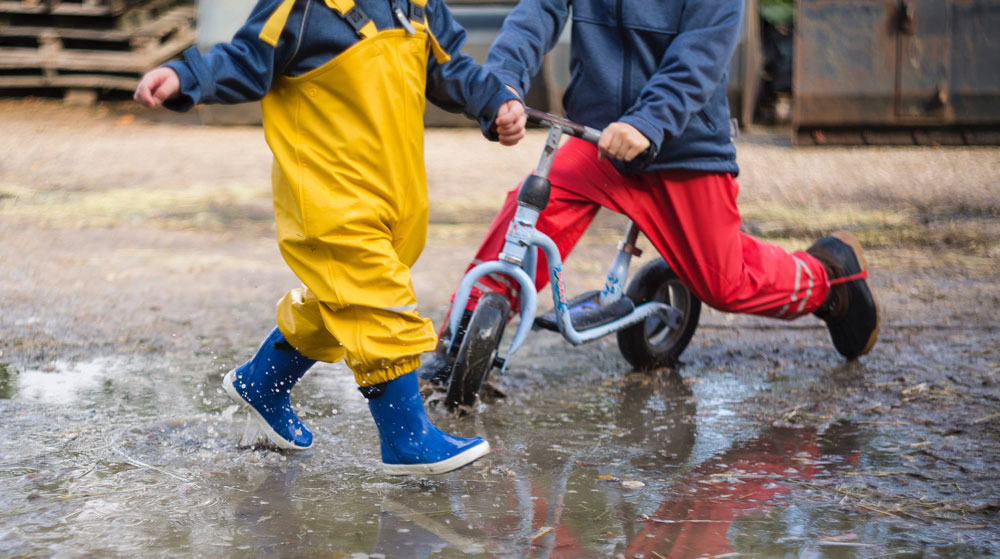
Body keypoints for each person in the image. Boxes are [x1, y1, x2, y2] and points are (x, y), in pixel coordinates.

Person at [134, 0, 527, 475]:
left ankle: (263, 382)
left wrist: (495, 101)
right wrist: (185, 76)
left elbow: (449, 67)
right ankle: (406, 439)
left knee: (341, 299)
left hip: (394, 193)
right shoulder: (301, 8)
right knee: (379, 302)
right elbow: (245, 58)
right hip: (327, 194)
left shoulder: (416, 5)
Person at [418, 0, 879, 384]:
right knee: (530, 214)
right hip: (595, 137)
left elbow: (702, 53)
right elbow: (535, 13)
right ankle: (460, 340)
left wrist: (646, 121)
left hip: (680, 146)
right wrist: (503, 87)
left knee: (726, 283)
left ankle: (827, 277)